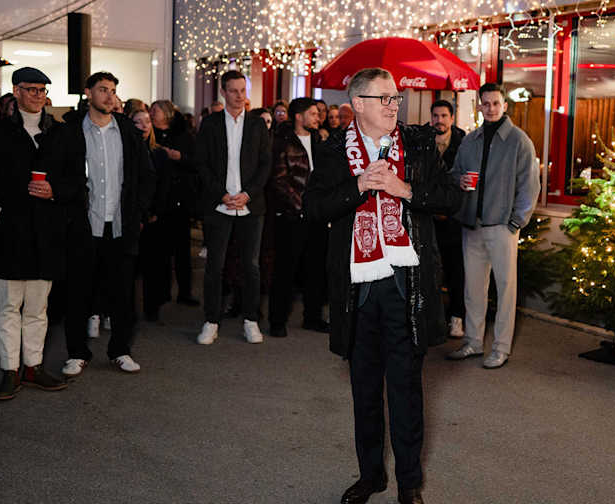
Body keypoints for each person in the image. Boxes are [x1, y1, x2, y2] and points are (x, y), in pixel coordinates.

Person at [303, 68, 461, 504]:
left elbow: (452, 199)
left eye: (396, 97)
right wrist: (358, 185)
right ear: (358, 104)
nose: (395, 105)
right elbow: (313, 208)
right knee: (365, 390)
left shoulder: (419, 144)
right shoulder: (334, 150)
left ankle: (410, 483)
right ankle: (370, 475)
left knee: (407, 390)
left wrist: (403, 188)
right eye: (385, 98)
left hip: (407, 286)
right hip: (356, 289)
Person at [48, 72, 155, 378]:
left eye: (113, 91)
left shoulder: (127, 131)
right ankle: (77, 353)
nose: (110, 96)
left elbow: (147, 177)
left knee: (122, 295)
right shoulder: (70, 131)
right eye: (103, 90)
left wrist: (139, 212)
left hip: (120, 226)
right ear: (88, 93)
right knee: (78, 293)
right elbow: (60, 177)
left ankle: (120, 350)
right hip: (83, 226)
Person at [0, 68, 69, 399]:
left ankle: (33, 367)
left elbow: (75, 179)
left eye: (43, 90)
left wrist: (55, 191)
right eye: (31, 89)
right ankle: (9, 371)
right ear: (15, 92)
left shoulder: (59, 133)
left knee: (38, 307)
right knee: (7, 306)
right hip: (10, 232)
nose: (38, 95)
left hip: (45, 232)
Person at [445, 83, 540, 370]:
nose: (491, 108)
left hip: (502, 226)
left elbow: (530, 185)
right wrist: (459, 181)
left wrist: (516, 221)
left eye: (495, 103)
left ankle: (500, 347)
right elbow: (454, 174)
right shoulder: (470, 140)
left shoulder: (519, 141)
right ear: (479, 106)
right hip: (471, 225)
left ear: (504, 105)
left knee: (505, 288)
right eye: (485, 104)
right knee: (473, 288)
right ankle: (473, 342)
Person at [193, 70, 271, 346]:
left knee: (251, 266)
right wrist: (222, 194)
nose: (240, 96)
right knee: (216, 265)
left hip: (251, 205)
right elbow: (200, 164)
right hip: (219, 204)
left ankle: (251, 320)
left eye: (243, 90)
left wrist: (248, 194)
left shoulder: (257, 125)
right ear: (223, 92)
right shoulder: (211, 124)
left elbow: (266, 164)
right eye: (234, 90)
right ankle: (211, 320)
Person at [267, 97, 328, 337]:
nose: (318, 117)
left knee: (315, 269)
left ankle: (312, 318)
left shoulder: (319, 140)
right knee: (285, 270)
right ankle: (277, 320)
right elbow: (279, 180)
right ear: (299, 116)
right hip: (292, 215)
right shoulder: (281, 142)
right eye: (313, 114)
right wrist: (301, 206)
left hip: (317, 216)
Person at [149, 100, 200, 308]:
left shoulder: (183, 136)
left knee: (182, 250)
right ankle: (161, 291)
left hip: (179, 198)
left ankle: (185, 292)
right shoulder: (149, 134)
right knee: (159, 250)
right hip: (159, 199)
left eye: (156, 110)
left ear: (167, 114)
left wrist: (179, 157)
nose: (152, 113)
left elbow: (196, 162)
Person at [426, 100, 466, 338]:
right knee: (429, 270)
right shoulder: (422, 141)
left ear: (452, 118)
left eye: (443, 115)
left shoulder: (464, 143)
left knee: (455, 271)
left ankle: (456, 318)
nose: (439, 120)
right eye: (435, 116)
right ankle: (431, 320)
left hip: (453, 218)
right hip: (428, 217)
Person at [132, 107, 171, 322]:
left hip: (155, 217)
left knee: (154, 265)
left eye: (147, 121)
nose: (144, 126)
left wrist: (155, 212)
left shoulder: (159, 153)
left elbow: (163, 186)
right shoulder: (127, 153)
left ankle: (152, 308)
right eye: (138, 122)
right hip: (134, 215)